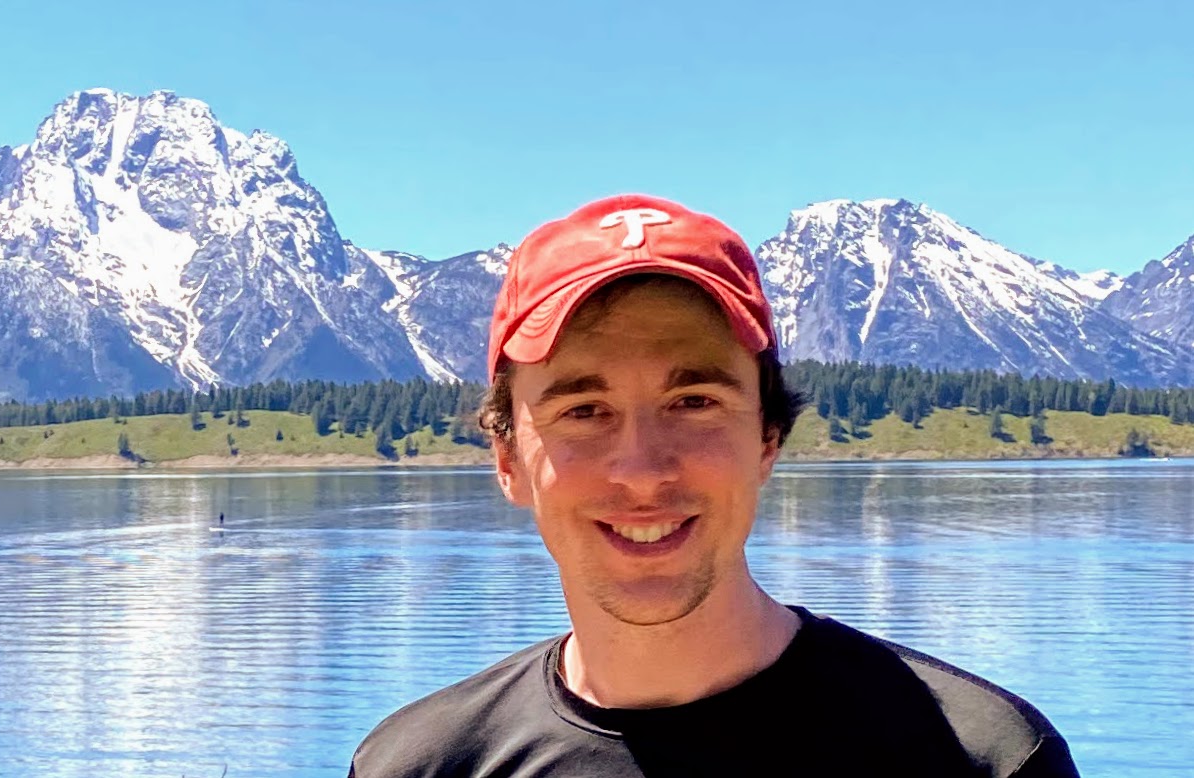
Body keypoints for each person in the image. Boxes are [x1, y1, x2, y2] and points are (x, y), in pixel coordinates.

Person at [347, 194, 1079, 777]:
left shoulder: (982, 758)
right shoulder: (420, 765)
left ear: (768, 438)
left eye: (693, 401)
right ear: (506, 459)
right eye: (583, 411)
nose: (641, 469)